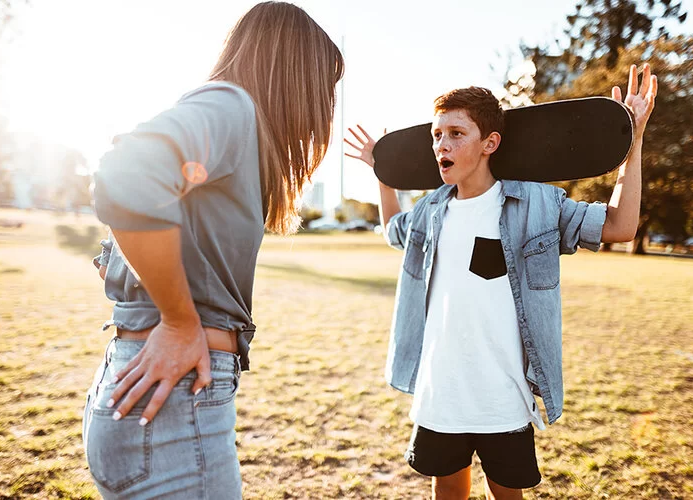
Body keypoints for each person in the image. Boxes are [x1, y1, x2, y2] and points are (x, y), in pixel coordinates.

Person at [344, 64, 657, 499]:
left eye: (455, 133)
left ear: (490, 143)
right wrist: (383, 172)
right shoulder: (430, 211)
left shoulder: (538, 205)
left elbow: (621, 226)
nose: (441, 144)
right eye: (436, 135)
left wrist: (633, 142)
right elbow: (393, 228)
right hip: (442, 395)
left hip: (503, 400)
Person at [82, 2, 344, 498]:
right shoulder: (231, 106)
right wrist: (180, 321)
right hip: (174, 401)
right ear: (294, 74)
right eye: (325, 82)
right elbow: (128, 172)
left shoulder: (229, 119)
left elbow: (138, 207)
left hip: (153, 392)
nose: (326, 100)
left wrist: (128, 265)